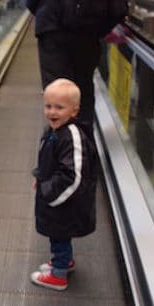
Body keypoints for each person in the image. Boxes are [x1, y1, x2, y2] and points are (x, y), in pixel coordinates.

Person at [26, 0, 127, 132]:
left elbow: (31, 0)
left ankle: (59, 154)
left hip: (53, 36)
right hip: (87, 33)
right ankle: (84, 147)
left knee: (56, 93)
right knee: (82, 90)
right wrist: (99, 28)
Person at [30, 79, 97, 291]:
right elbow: (48, 161)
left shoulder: (72, 136)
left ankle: (58, 275)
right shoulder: (53, 130)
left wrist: (49, 194)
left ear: (74, 111)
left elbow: (74, 176)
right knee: (57, 233)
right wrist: (39, 177)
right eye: (48, 106)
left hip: (66, 201)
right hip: (56, 195)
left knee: (59, 232)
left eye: (59, 107)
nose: (52, 112)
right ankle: (64, 260)